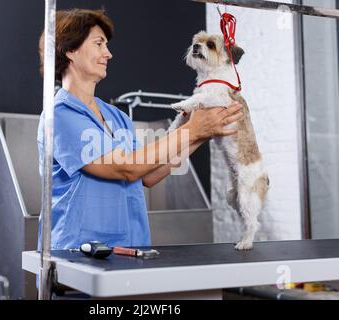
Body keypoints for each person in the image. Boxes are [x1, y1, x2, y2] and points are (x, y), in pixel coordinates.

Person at [37, 9, 243, 251]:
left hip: (130, 249)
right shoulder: (60, 115)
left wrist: (203, 132)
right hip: (77, 255)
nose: (108, 54)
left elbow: (148, 174)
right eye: (99, 44)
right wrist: (193, 131)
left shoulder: (117, 116)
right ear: (70, 50)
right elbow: (127, 167)